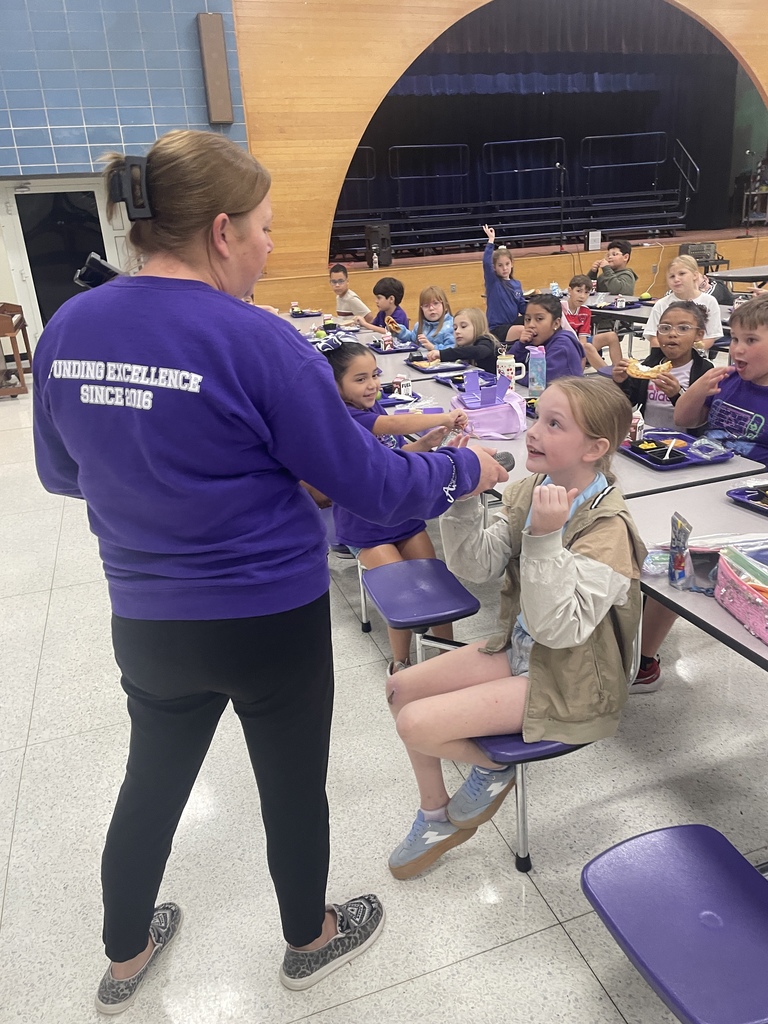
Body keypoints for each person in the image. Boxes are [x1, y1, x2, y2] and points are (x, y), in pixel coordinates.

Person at [31, 130, 508, 1013]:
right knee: (290, 785)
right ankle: (308, 938)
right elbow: (363, 479)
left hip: (148, 617)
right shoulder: (259, 341)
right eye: (263, 229)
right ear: (220, 231)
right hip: (266, 615)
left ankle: (125, 953)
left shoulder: (68, 327)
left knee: (151, 781)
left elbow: (63, 473)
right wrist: (463, 471)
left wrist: (168, 477)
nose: (269, 246)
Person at [384, 376, 646, 879]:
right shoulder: (534, 488)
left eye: (553, 424)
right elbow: (477, 568)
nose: (533, 432)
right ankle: (436, 815)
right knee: (400, 688)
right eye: (535, 417)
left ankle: (494, 765)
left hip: (572, 678)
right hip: (524, 645)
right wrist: (464, 499)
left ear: (596, 448)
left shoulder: (608, 529)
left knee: (415, 723)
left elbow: (561, 631)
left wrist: (546, 540)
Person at [632, 293, 768, 693]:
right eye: (735, 339)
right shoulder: (728, 381)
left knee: (680, 555)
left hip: (744, 505)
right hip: (702, 481)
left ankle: (644, 662)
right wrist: (698, 389)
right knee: (642, 536)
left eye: (751, 341)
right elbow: (685, 420)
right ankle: (626, 626)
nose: (738, 349)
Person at [321, 340, 469, 674]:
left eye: (374, 375)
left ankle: (448, 657)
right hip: (365, 525)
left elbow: (393, 458)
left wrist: (425, 444)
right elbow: (386, 428)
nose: (372, 384)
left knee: (433, 581)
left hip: (400, 513)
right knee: (402, 591)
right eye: (360, 379)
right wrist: (442, 415)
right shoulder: (343, 416)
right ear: (335, 384)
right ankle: (400, 665)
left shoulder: (373, 407)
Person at [611, 301, 714, 429]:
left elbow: (702, 419)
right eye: (665, 328)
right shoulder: (650, 365)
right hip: (648, 440)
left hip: (683, 443)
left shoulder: (704, 371)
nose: (672, 334)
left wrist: (677, 395)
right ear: (657, 335)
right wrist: (621, 382)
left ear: (698, 335)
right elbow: (629, 402)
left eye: (683, 328)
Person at [643, 256, 723, 352]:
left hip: (696, 358)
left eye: (682, 274)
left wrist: (688, 353)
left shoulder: (710, 302)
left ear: (695, 275)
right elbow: (654, 338)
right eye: (672, 276)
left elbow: (710, 337)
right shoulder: (661, 304)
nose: (676, 279)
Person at [504, 293, 584, 386]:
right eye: (527, 319)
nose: (531, 325)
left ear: (556, 323)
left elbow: (537, 381)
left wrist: (513, 375)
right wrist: (521, 346)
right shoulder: (535, 341)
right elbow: (506, 367)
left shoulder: (563, 346)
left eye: (539, 319)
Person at [480, 225, 526, 344]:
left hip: (512, 324)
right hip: (497, 328)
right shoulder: (493, 283)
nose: (504, 268)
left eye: (507, 264)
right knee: (523, 331)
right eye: (500, 265)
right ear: (494, 268)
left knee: (538, 323)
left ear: (512, 264)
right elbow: (486, 263)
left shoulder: (516, 284)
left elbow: (522, 307)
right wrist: (491, 241)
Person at [425, 307, 499, 374]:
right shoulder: (465, 346)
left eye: (463, 326)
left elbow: (478, 351)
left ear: (478, 326)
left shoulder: (487, 341)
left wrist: (442, 354)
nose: (457, 331)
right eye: (455, 328)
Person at [390, 285, 454, 350]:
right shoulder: (419, 325)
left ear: (445, 306)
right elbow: (412, 338)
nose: (431, 308)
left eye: (436, 303)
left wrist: (433, 347)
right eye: (426, 306)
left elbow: (452, 349)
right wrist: (399, 330)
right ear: (422, 309)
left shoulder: (451, 326)